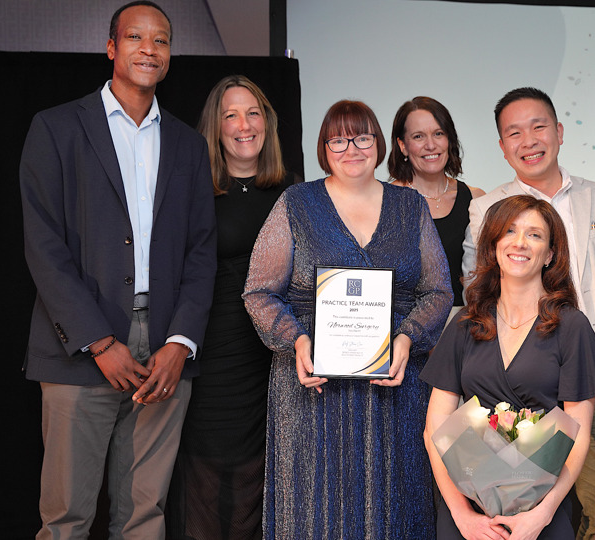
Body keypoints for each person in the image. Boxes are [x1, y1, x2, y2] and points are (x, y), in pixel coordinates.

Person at [18, 2, 217, 538]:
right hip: (81, 348)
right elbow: (43, 245)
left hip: (165, 353)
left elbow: (202, 251)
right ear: (112, 47)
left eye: (161, 40)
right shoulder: (56, 128)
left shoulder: (188, 145)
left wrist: (180, 341)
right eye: (136, 37)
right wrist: (100, 342)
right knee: (65, 518)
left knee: (144, 516)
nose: (149, 49)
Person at [242, 100, 452, 539]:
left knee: (396, 506)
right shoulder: (296, 203)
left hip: (394, 386)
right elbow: (259, 292)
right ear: (323, 147)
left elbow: (438, 291)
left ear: (379, 144)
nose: (351, 148)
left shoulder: (409, 206)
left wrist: (408, 338)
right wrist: (296, 341)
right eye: (338, 138)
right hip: (311, 387)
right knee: (315, 512)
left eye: (362, 137)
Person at [461, 88, 595, 538]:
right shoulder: (484, 209)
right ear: (502, 146)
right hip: (514, 389)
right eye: (514, 132)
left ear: (560, 132)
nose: (528, 139)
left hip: (590, 382)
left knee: (590, 512)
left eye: (538, 126)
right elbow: (476, 287)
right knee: (511, 510)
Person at [424, 195, 595, 539]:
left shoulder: (572, 327)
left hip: (543, 511)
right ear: (493, 245)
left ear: (551, 254)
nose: (520, 243)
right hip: (467, 513)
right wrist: (461, 514)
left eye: (535, 235)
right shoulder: (465, 324)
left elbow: (579, 435)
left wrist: (541, 515)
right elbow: (434, 429)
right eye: (509, 231)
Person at [168, 75, 297, 540]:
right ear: (215, 127)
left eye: (253, 113)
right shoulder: (194, 190)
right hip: (211, 350)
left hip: (274, 357)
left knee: (261, 472)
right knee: (205, 469)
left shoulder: (293, 193)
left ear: (267, 122)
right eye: (230, 115)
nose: (244, 125)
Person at [388, 96, 485, 319]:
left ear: (449, 140)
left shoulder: (476, 199)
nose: (430, 145)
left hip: (464, 330)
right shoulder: (385, 201)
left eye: (438, 133)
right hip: (402, 332)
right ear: (403, 145)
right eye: (418, 136)